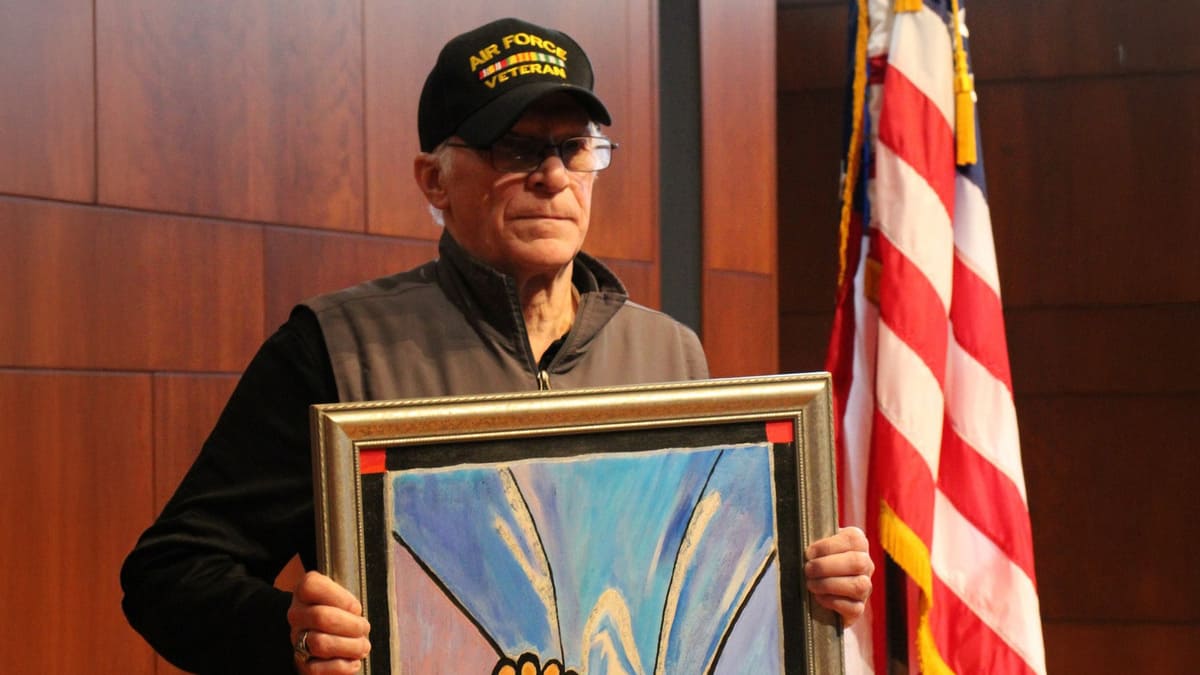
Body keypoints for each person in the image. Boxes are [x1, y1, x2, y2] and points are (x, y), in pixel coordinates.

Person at [121, 17, 873, 675]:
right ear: (435, 179)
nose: (552, 176)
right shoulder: (336, 348)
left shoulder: (670, 355)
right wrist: (289, 632)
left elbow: (709, 598)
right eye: (514, 148)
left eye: (574, 148)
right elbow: (169, 574)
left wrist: (809, 582)